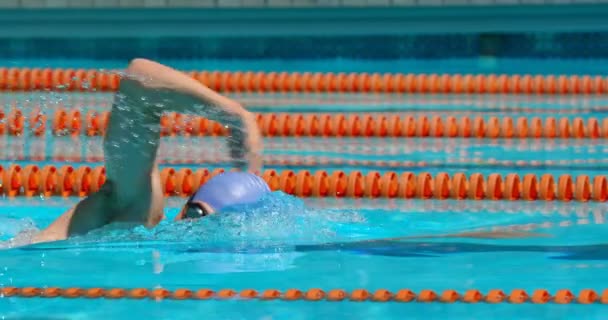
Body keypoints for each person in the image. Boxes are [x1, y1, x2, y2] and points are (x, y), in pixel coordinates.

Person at [30, 58, 269, 244]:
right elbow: (139, 77)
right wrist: (235, 115)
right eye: (200, 220)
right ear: (190, 211)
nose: (197, 233)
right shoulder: (136, 213)